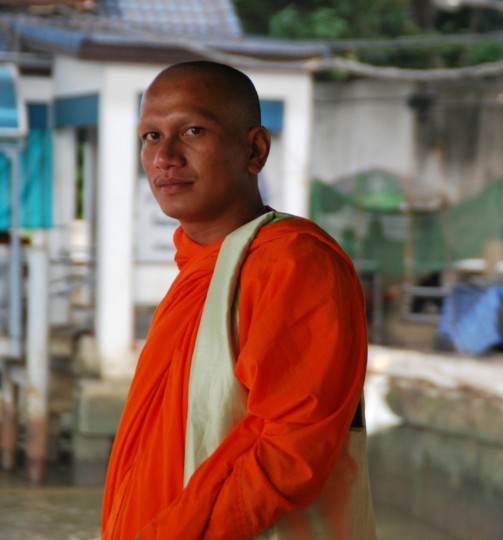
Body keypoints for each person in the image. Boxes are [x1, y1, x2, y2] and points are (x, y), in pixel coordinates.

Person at [101, 61, 372, 539]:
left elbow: (289, 450)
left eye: (192, 130)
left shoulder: (292, 263)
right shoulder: (201, 269)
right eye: (150, 136)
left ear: (255, 149)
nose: (166, 157)